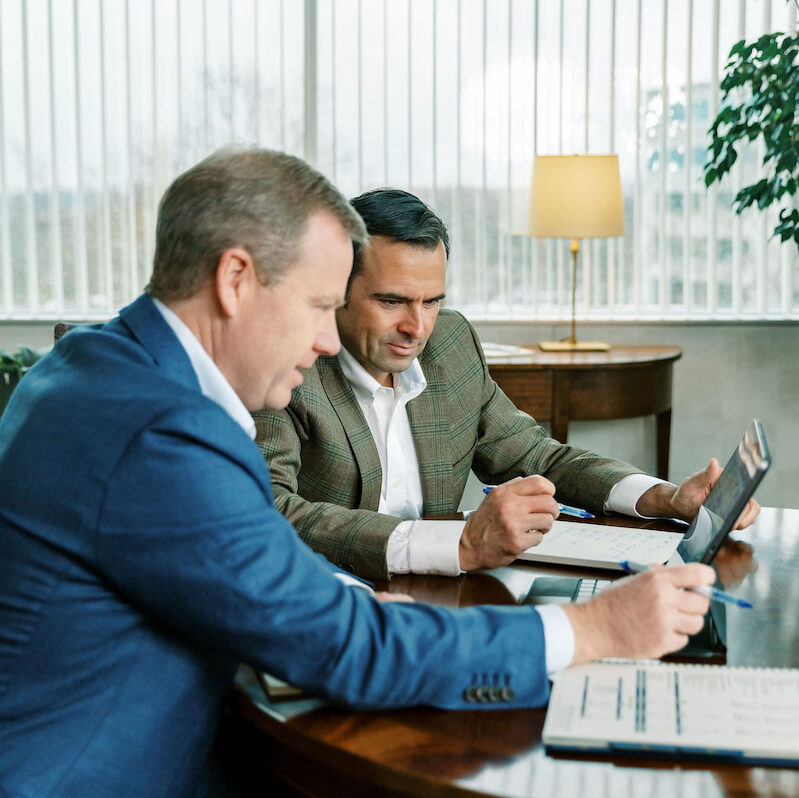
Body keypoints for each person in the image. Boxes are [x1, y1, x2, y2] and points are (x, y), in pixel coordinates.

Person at [0, 149, 717, 798]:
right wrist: (590, 630)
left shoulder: (96, 366)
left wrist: (349, 595)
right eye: (318, 305)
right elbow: (343, 646)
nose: (323, 337)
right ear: (235, 280)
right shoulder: (163, 431)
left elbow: (252, 570)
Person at [254, 188, 759, 580]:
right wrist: (458, 544)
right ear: (336, 288)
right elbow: (274, 512)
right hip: (333, 594)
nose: (417, 327)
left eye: (431, 301)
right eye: (392, 301)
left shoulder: (451, 344)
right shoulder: (287, 366)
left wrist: (666, 498)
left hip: (442, 593)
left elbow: (540, 457)